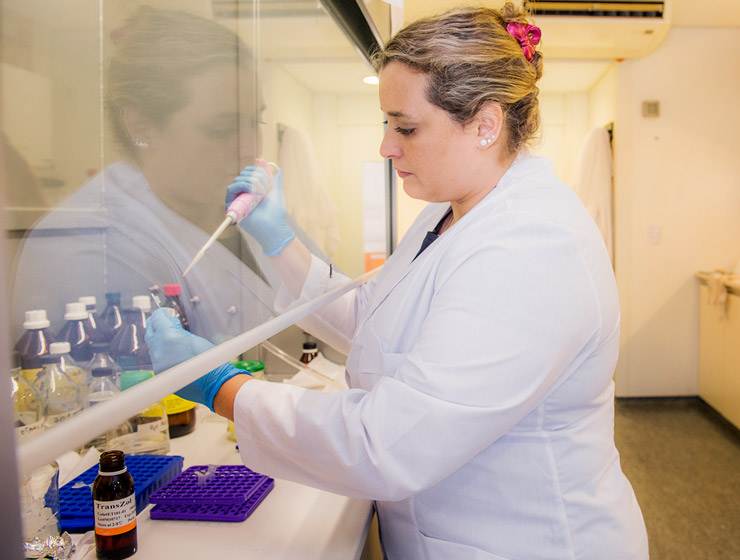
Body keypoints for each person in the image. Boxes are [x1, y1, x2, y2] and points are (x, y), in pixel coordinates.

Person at [145, 4, 649, 558]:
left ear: (485, 124)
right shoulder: (451, 212)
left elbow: (388, 444)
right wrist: (278, 241)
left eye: (405, 126)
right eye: (386, 123)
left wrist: (217, 385)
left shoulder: (532, 247)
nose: (386, 146)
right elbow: (376, 320)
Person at [11, 6, 284, 344]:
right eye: (221, 128)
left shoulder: (251, 208)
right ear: (141, 125)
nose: (250, 147)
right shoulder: (87, 246)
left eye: (255, 122)